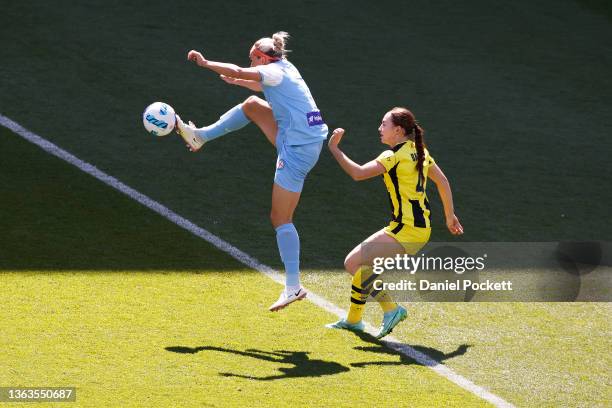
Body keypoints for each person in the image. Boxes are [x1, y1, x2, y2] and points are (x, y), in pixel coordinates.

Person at [174, 32, 328, 312]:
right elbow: (263, 86)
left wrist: (206, 63)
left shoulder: (270, 71)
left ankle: (293, 286)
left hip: (297, 149)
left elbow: (238, 70)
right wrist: (240, 81)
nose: (249, 63)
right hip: (300, 137)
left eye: (252, 59)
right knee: (253, 106)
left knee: (280, 217)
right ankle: (200, 136)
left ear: (262, 58)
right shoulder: (284, 68)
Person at [326, 107, 464, 338]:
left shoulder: (392, 156)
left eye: (383, 125)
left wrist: (334, 149)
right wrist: (449, 216)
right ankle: (353, 319)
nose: (379, 129)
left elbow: (358, 173)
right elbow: (443, 181)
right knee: (362, 266)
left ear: (398, 130)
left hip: (407, 230)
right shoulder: (417, 150)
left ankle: (391, 309)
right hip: (413, 228)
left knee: (353, 263)